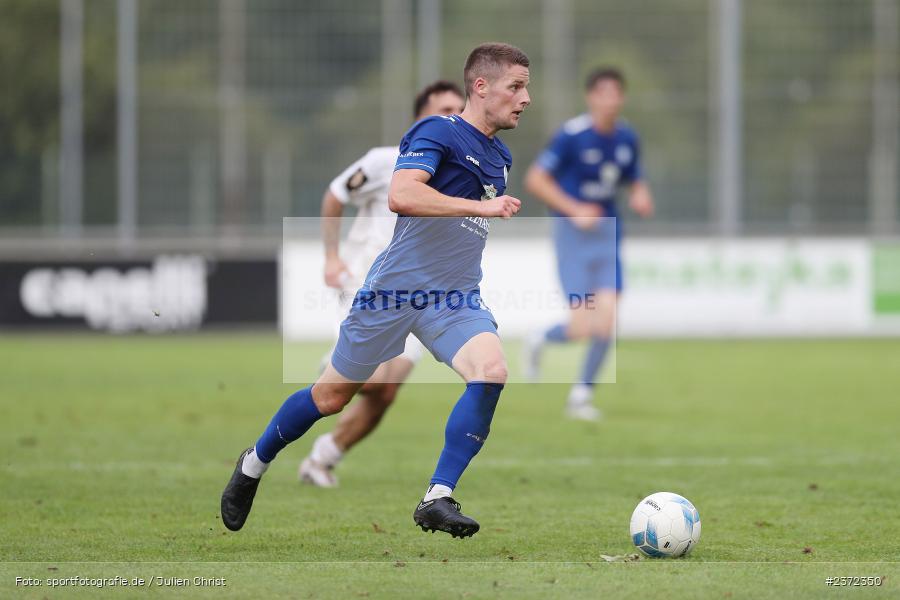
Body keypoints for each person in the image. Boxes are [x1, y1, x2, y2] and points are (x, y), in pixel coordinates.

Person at [221, 42, 531, 538]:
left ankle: (438, 496)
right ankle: (254, 463)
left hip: (453, 298)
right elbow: (402, 195)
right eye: (516, 86)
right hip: (394, 291)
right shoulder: (437, 130)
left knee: (491, 370)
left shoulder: (501, 155)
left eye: (526, 86)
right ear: (481, 86)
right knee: (331, 396)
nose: (525, 97)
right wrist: (478, 207)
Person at [298, 81, 466, 488]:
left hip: (418, 294)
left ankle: (320, 460)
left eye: (458, 111)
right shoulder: (385, 161)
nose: (454, 118)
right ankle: (334, 368)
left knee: (385, 392)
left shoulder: (458, 172)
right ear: (420, 118)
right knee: (371, 380)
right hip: (366, 281)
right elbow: (335, 195)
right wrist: (332, 256)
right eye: (445, 110)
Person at [523, 66, 654, 421]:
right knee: (581, 327)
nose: (611, 101)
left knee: (607, 320)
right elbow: (536, 179)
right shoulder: (572, 136)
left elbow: (633, 177)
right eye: (604, 93)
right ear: (591, 97)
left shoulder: (627, 137)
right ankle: (540, 338)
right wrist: (574, 208)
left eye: (617, 94)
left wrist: (641, 193)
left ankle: (581, 395)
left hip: (607, 237)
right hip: (573, 238)